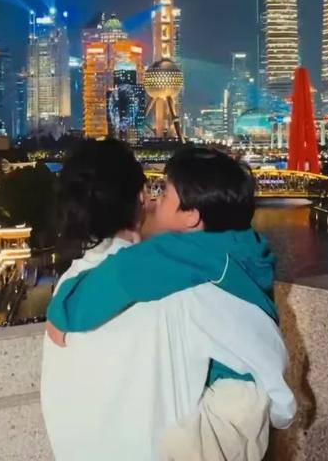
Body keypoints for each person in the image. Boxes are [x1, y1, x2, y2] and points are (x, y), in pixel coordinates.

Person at [42, 144, 295, 460]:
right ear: (140, 199)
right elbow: (262, 349)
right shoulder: (187, 290)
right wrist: (282, 408)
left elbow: (126, 272)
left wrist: (62, 310)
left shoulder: (70, 282)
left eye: (164, 192)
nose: (156, 199)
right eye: (155, 191)